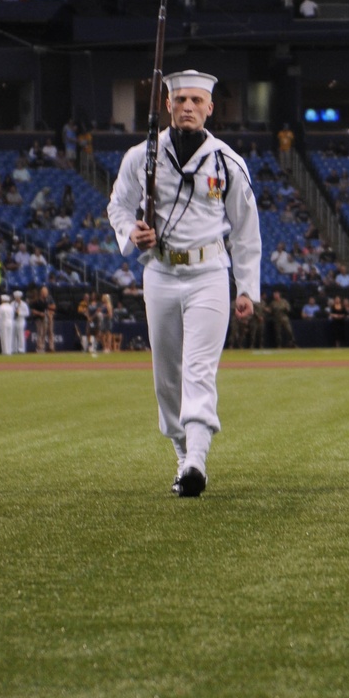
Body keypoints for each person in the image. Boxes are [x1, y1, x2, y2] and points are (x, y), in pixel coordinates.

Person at [107, 69, 261, 498]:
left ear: (210, 107)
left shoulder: (227, 161)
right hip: (159, 273)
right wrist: (130, 233)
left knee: (198, 370)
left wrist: (247, 287)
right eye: (180, 101)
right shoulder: (141, 156)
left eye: (196, 101)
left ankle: (196, 459)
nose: (188, 107)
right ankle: (181, 452)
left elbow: (247, 229)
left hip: (209, 273)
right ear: (168, 106)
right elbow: (117, 206)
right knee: (166, 378)